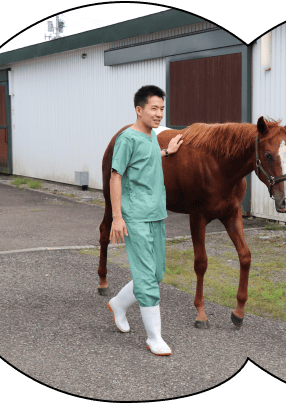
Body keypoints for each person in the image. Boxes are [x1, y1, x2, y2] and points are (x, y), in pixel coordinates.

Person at [106, 85, 183, 356]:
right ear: (139, 110)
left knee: (157, 273)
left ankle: (118, 304)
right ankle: (154, 338)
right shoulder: (127, 138)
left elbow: (146, 160)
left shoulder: (152, 137)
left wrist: (167, 151)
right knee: (147, 279)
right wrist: (117, 217)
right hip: (135, 216)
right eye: (154, 108)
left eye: (162, 108)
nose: (159, 113)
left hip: (156, 214)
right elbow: (116, 176)